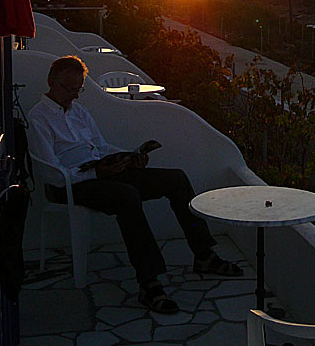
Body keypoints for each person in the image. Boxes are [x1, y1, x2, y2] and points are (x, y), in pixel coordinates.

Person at [27, 55, 242, 314]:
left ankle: (204, 254)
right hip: (73, 185)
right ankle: (149, 282)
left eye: (78, 90)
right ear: (52, 82)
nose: (74, 95)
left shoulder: (78, 112)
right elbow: (52, 175)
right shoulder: (38, 118)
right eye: (68, 88)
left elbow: (101, 146)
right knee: (127, 196)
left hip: (102, 172)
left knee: (176, 179)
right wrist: (96, 173)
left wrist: (128, 157)